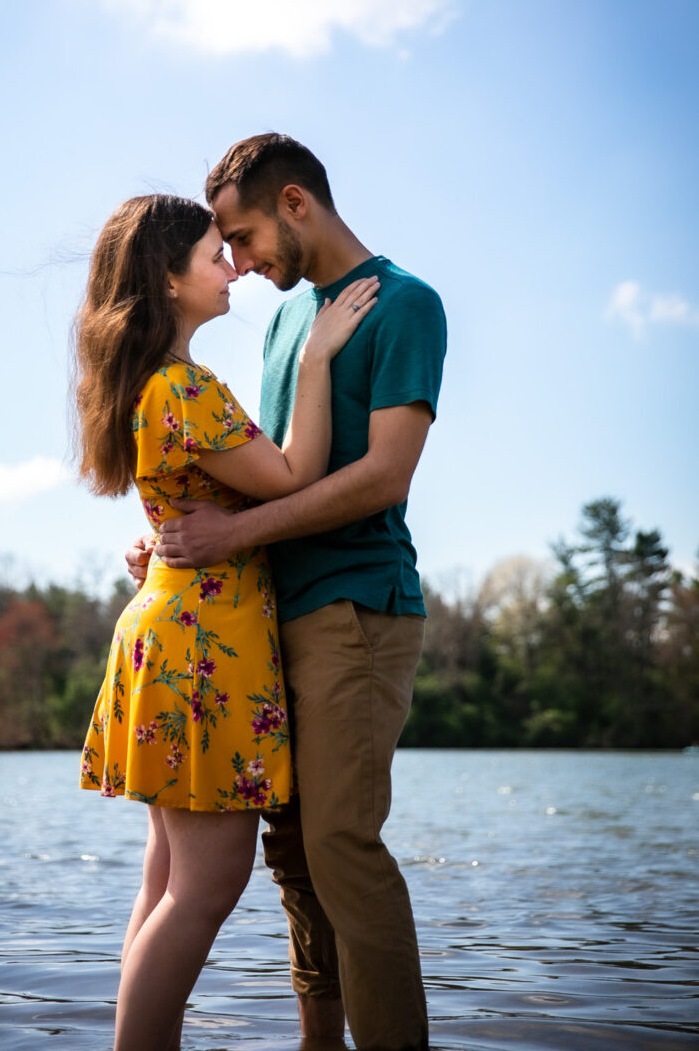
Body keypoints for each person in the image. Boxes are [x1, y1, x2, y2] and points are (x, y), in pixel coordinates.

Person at [147, 134, 447, 1051]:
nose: (237, 263)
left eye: (241, 238)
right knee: (295, 863)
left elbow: (383, 476)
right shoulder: (288, 322)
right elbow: (273, 474)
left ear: (294, 203)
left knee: (342, 849)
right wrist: (175, 547)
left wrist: (232, 535)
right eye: (224, 249)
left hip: (354, 609)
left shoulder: (404, 305)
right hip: (267, 620)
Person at [73, 191, 378, 1051]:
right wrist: (317, 359)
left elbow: (189, 499)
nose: (232, 268)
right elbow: (294, 476)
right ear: (168, 281)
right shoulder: (186, 387)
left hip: (166, 632)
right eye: (215, 255)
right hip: (202, 646)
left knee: (167, 880)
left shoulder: (148, 385)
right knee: (203, 890)